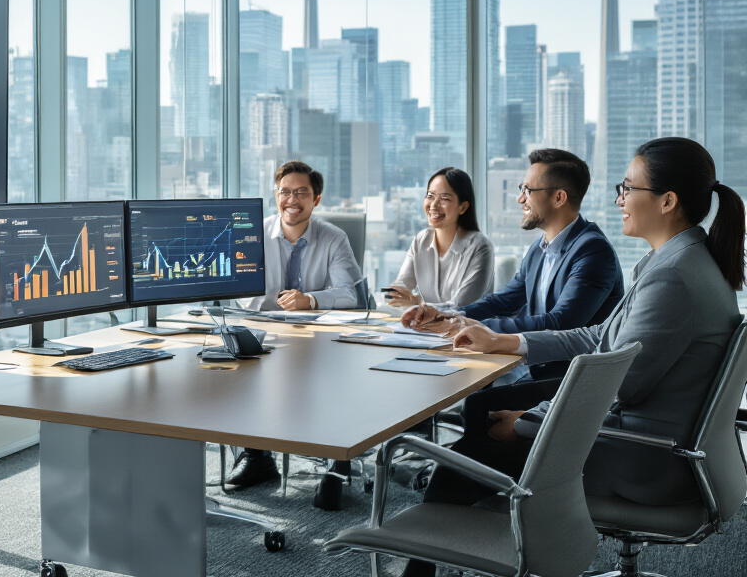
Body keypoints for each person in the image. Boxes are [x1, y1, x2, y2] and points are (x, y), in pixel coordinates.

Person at [398, 137, 745, 577]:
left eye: (628, 188)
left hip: (645, 459)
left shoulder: (673, 278)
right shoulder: (678, 262)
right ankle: (509, 540)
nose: (619, 199)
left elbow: (616, 386)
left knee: (466, 458)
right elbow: (602, 336)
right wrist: (510, 343)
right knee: (482, 431)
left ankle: (508, 555)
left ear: (667, 201)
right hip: (655, 439)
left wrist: (527, 421)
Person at [402, 148, 624, 383]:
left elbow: (561, 322)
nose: (520, 198)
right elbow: (504, 300)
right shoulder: (540, 247)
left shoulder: (593, 252)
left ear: (559, 198)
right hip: (534, 367)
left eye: (528, 191)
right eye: (522, 189)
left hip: (568, 380)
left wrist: (477, 326)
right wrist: (449, 316)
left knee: (478, 402)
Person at [227, 160, 363, 509]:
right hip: (268, 332)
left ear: (316, 199)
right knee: (234, 364)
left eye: (301, 193)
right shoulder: (254, 234)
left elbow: (352, 294)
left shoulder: (334, 237)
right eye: (285, 192)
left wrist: (312, 299)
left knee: (335, 375)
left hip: (320, 339)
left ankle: (338, 463)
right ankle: (258, 456)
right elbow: (243, 294)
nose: (292, 199)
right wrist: (273, 305)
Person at [385, 167, 493, 313]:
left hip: (468, 330)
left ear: (463, 207)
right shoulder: (420, 241)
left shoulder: (480, 247)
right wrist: (395, 296)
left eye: (445, 199)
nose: (434, 205)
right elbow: (399, 290)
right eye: (430, 196)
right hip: (428, 330)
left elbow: (461, 305)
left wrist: (418, 304)